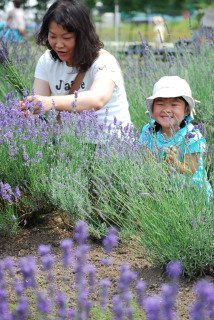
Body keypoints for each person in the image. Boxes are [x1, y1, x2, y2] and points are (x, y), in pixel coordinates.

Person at [22, 0, 131, 134]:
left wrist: (51, 102)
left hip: (111, 147)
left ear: (82, 37)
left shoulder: (104, 62)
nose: (58, 44)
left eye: (66, 38)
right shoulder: (47, 60)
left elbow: (98, 99)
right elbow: (39, 101)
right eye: (52, 36)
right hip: (70, 147)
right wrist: (27, 112)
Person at [138, 76, 213, 201]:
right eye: (160, 104)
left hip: (192, 197)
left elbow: (191, 171)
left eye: (174, 104)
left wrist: (176, 164)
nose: (167, 110)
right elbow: (147, 160)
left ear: (187, 110)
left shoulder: (192, 137)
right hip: (162, 192)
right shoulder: (148, 131)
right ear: (152, 108)